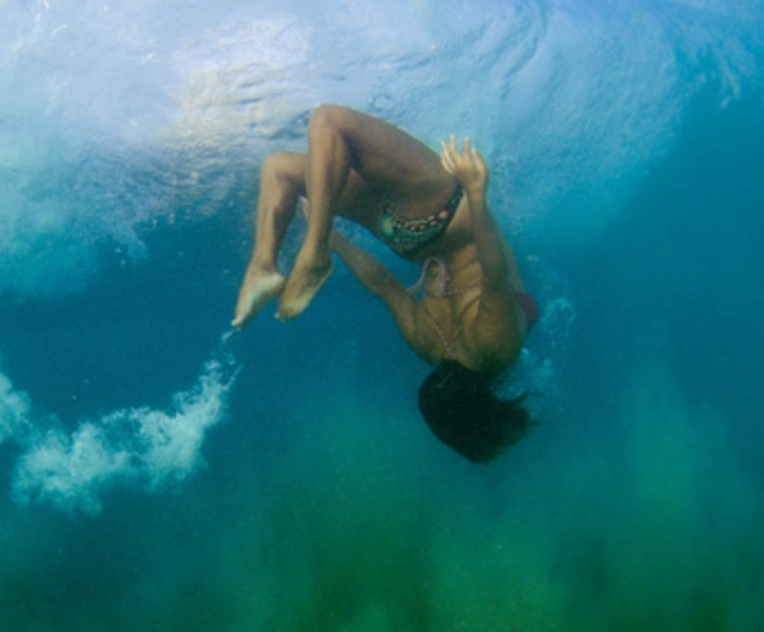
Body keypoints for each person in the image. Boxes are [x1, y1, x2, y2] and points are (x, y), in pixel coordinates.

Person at [231, 105, 538, 462]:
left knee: (330, 123)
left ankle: (306, 254)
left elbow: (494, 271)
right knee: (280, 169)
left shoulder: (494, 349)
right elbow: (384, 285)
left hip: (443, 211)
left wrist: (476, 195)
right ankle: (265, 265)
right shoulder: (437, 348)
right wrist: (337, 239)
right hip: (406, 237)